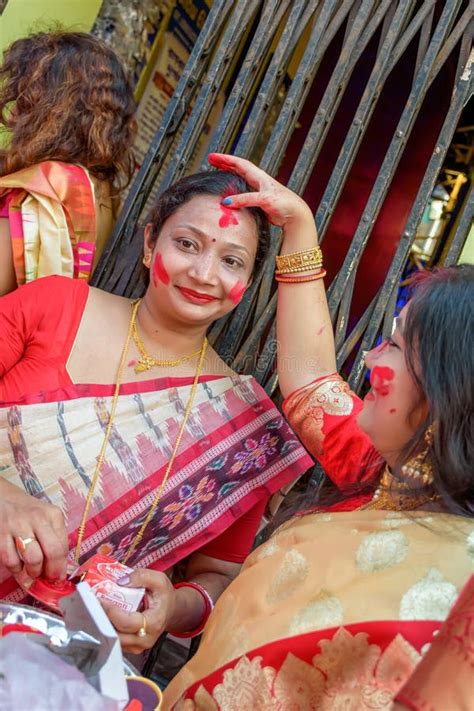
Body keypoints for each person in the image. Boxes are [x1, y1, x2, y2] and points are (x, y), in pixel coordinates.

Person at [162, 155, 474, 709]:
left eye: (396, 347)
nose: (374, 356)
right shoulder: (385, 469)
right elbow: (310, 382)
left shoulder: (454, 602)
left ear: (444, 394)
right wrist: (299, 225)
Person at [0, 169, 313, 654]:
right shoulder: (53, 306)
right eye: (187, 245)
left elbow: (219, 575)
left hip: (48, 659)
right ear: (150, 245)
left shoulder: (241, 424)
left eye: (231, 260)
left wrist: (173, 608)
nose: (204, 274)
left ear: (247, 283)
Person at [0, 31, 136, 295]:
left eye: (28, 103)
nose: (13, 117)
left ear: (58, 113)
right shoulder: (99, 187)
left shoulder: (46, 189)